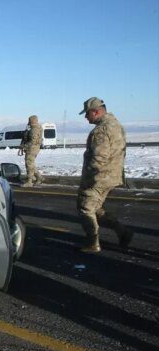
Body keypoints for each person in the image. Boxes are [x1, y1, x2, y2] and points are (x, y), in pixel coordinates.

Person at [77, 97, 132, 253]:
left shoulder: (101, 130)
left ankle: (93, 243)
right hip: (113, 175)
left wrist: (90, 180)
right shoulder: (116, 125)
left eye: (87, 113)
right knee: (97, 208)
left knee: (85, 208)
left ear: (96, 111)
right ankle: (123, 231)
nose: (86, 117)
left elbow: (99, 158)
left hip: (99, 177)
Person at [18, 115, 44, 187]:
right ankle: (39, 177)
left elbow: (33, 141)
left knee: (29, 164)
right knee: (31, 164)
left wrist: (24, 146)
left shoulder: (34, 129)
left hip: (32, 149)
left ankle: (29, 181)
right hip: (33, 148)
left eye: (29, 121)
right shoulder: (35, 128)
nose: (28, 122)